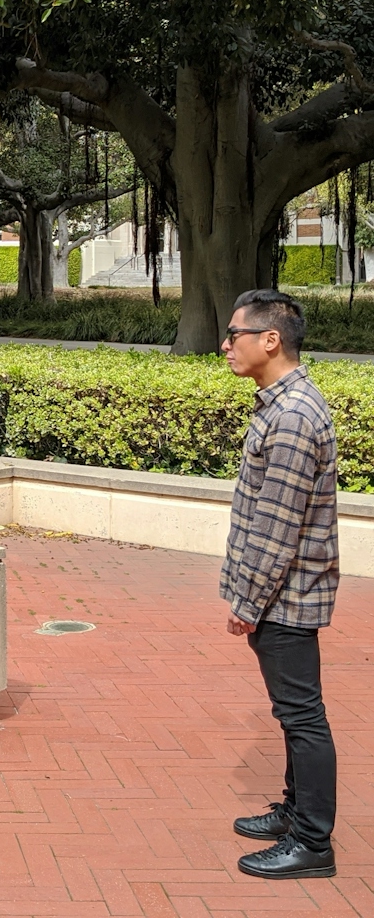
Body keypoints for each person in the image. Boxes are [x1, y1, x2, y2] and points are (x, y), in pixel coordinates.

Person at [220, 289, 339, 880]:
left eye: (234, 334)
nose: (225, 346)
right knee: (293, 711)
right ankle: (296, 813)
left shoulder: (292, 415)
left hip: (285, 596)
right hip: (284, 593)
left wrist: (246, 603)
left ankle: (313, 844)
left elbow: (276, 527)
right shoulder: (283, 402)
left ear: (271, 340)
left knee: (302, 716)